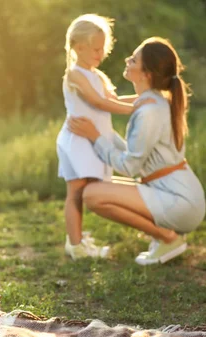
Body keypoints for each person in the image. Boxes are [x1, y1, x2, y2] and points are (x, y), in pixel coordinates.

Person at [67, 37, 206, 265]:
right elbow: (136, 153)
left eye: (133, 59)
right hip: (175, 193)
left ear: (146, 74)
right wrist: (104, 133)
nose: (127, 61)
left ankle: (167, 238)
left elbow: (130, 166)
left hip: (180, 200)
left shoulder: (150, 111)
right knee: (95, 189)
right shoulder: (153, 103)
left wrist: (96, 137)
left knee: (92, 195)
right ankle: (166, 236)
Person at [57, 14, 150, 260]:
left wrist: (149, 98)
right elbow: (98, 102)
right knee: (76, 191)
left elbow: (114, 99)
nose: (101, 54)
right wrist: (136, 109)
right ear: (79, 47)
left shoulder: (97, 75)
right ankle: (76, 246)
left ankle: (75, 240)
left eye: (103, 49)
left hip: (94, 139)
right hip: (78, 139)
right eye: (96, 49)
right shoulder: (74, 75)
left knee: (85, 190)